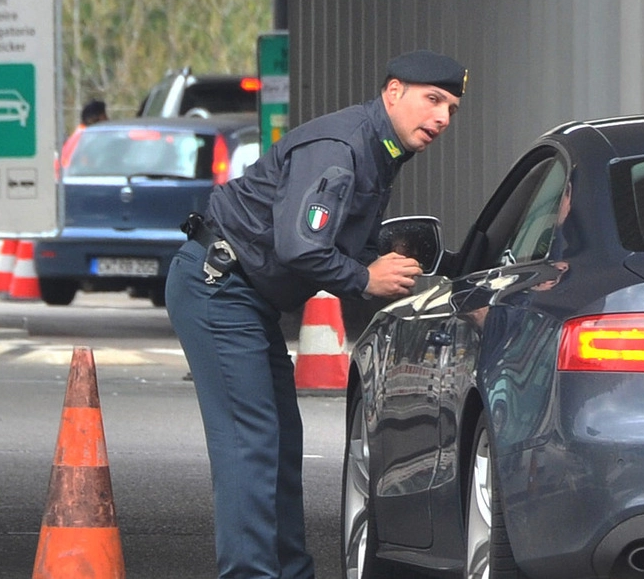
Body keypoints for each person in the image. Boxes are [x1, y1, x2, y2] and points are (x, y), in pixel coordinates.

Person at [165, 50, 466, 579]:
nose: (442, 117)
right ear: (393, 92)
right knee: (250, 446)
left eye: (452, 108)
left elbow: (339, 238)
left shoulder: (380, 149)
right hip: (220, 287)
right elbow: (301, 245)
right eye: (433, 100)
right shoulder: (342, 147)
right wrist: (365, 278)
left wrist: (390, 265)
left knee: (280, 442)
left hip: (248, 297)